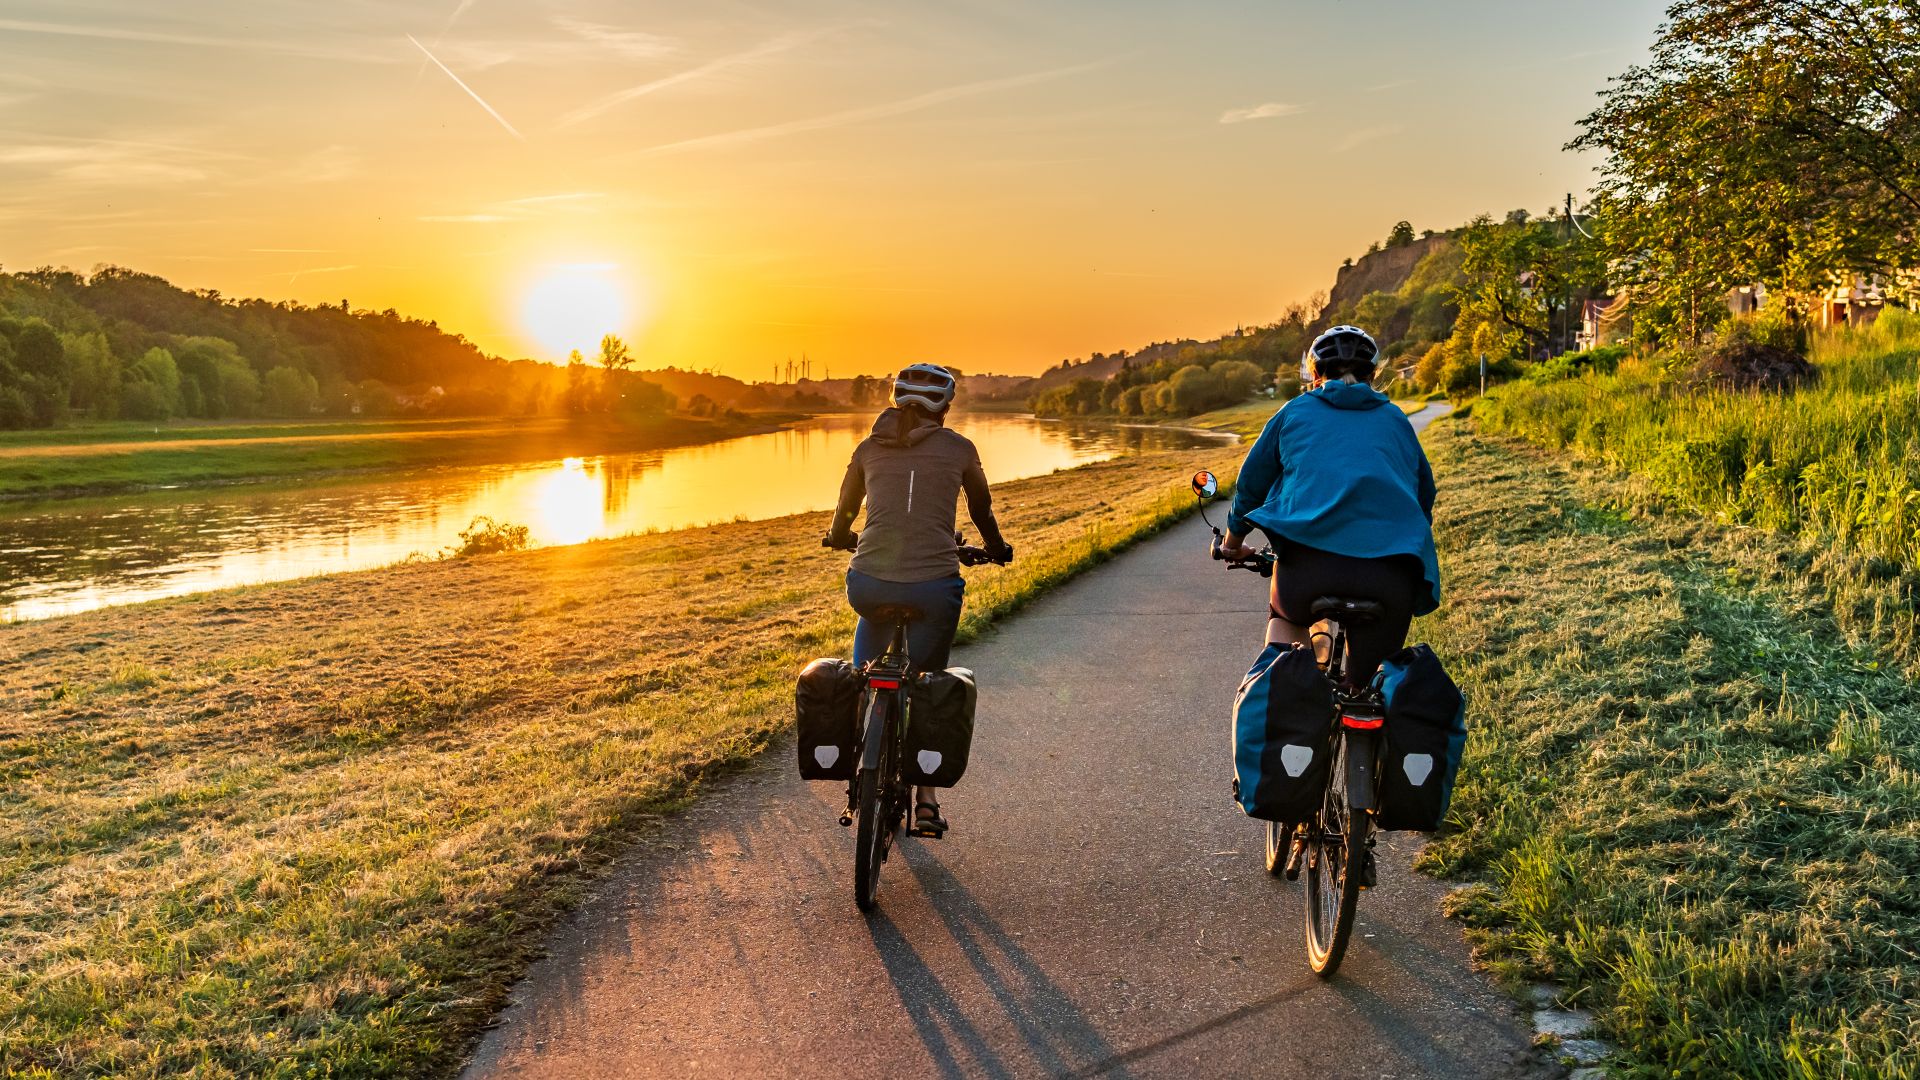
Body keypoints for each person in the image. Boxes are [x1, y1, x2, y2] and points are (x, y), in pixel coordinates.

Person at [826, 362, 1012, 836]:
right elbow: (981, 509)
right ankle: (926, 802)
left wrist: (841, 536)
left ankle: (859, 739)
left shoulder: (867, 448)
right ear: (945, 408)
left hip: (868, 585)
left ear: (895, 400)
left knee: (864, 667)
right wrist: (995, 548)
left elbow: (846, 510)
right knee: (926, 686)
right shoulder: (960, 448)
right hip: (934, 588)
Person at [1219, 325, 1440, 686]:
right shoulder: (1396, 419)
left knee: (1285, 629)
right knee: (1367, 689)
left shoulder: (1294, 411)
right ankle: (1363, 706)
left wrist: (1232, 543)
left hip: (1307, 571)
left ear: (1315, 374)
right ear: (1373, 375)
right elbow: (1424, 495)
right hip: (1391, 577)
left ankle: (1287, 691)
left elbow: (1251, 487)